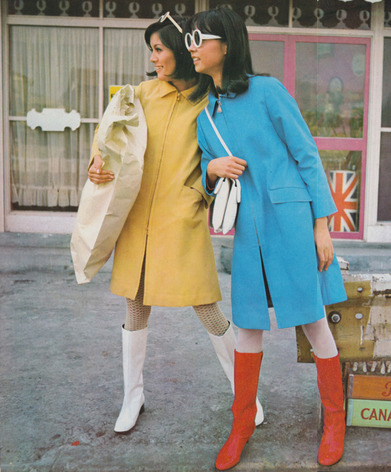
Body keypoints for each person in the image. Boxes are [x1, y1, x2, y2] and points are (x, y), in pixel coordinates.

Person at [186, 7, 348, 470]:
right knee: (248, 325)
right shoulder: (205, 116)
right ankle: (241, 426)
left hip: (292, 221)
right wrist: (212, 169)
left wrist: (322, 225)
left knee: (313, 321)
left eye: (199, 38)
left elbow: (306, 154)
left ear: (226, 44)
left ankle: (335, 421)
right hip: (248, 230)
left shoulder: (268, 91)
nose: (192, 47)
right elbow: (206, 176)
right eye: (189, 39)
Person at [87, 12, 263, 434]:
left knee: (207, 308)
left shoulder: (211, 102)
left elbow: (225, 156)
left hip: (181, 219)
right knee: (135, 305)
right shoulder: (142, 93)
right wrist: (97, 162)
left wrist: (202, 186)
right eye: (152, 51)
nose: (153, 58)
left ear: (181, 51)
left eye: (159, 49)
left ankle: (246, 395)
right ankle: (133, 396)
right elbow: (110, 136)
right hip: (137, 219)